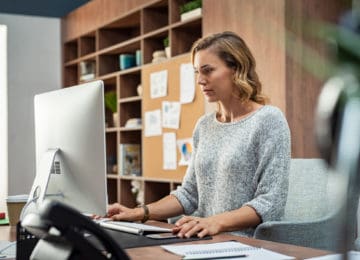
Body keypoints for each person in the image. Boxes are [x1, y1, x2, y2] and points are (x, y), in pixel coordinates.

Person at [106, 31, 291, 238]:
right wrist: (140, 213)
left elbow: (270, 202)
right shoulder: (204, 126)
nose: (200, 80)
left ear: (237, 68)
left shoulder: (269, 120)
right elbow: (189, 193)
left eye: (208, 70)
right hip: (204, 240)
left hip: (247, 244)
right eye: (197, 72)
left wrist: (215, 222)